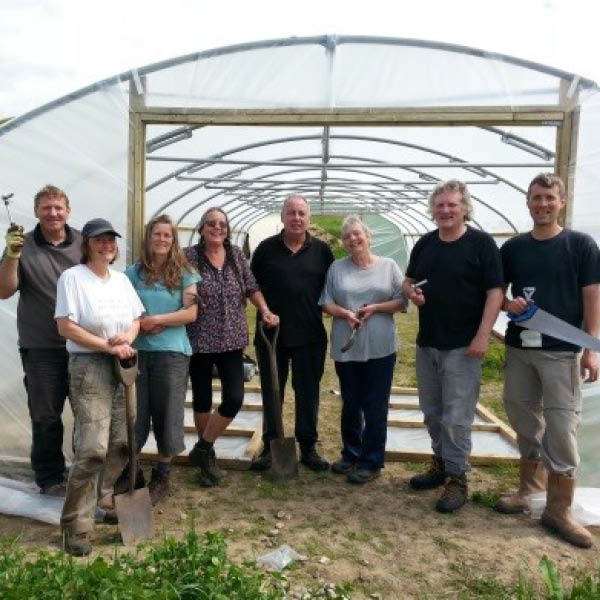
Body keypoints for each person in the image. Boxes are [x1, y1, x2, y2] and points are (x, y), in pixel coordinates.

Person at [494, 173, 600, 549]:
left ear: (562, 202)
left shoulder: (580, 245)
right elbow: (499, 295)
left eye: (549, 198)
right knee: (521, 411)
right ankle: (530, 491)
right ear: (527, 203)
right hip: (521, 347)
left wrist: (591, 347)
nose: (542, 204)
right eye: (536, 198)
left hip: (561, 350)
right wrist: (509, 305)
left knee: (561, 422)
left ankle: (559, 507)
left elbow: (592, 296)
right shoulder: (514, 248)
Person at [402, 179, 504, 513]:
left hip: (463, 345)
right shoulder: (426, 244)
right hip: (428, 342)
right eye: (440, 205)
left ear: (465, 208)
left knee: (457, 417)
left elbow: (495, 292)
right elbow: (408, 279)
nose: (445, 210)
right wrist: (411, 292)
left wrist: (482, 335)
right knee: (432, 412)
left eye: (452, 205)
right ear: (433, 210)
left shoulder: (481, 244)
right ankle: (441, 464)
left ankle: (458, 479)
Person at [55, 218, 144, 556]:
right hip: (89, 366)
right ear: (87, 244)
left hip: (123, 362)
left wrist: (127, 338)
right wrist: (106, 346)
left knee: (121, 443)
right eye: (99, 240)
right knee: (92, 448)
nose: (107, 245)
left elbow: (136, 319)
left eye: (111, 240)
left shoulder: (121, 281)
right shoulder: (73, 278)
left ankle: (100, 499)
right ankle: (75, 525)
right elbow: (66, 327)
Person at [185, 207, 278, 486]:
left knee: (234, 397)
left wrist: (264, 310)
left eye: (222, 224)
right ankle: (207, 460)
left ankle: (201, 448)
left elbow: (251, 287)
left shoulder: (236, 255)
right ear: (201, 229)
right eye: (211, 224)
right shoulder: (189, 257)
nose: (217, 228)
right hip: (199, 338)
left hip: (232, 338)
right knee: (201, 398)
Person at [0, 185, 82, 496]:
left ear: (68, 211)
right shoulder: (23, 244)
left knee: (87, 413)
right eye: (46, 208)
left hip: (82, 345)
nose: (53, 213)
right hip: (42, 348)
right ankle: (50, 478)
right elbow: (4, 290)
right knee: (46, 415)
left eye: (58, 207)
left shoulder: (83, 243)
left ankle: (84, 470)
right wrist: (12, 255)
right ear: (36, 211)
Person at [250, 194, 334, 472]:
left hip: (310, 334)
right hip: (271, 335)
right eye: (291, 213)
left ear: (308, 218)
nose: (297, 218)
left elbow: (333, 289)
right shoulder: (265, 249)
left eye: (302, 213)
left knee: (308, 391)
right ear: (283, 217)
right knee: (272, 391)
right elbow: (252, 286)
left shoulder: (322, 251)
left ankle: (308, 446)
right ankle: (271, 443)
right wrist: (263, 310)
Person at [320, 216, 405, 484]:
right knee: (351, 401)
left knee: (375, 405)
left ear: (368, 237)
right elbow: (326, 303)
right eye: (347, 237)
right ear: (343, 243)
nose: (353, 239)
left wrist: (375, 308)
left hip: (381, 346)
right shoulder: (337, 268)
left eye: (357, 234)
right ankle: (351, 453)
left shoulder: (389, 266)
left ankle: (371, 461)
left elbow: (402, 301)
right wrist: (345, 313)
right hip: (348, 345)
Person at [124, 214, 200, 505]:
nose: (161, 239)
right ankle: (132, 471)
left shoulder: (184, 272)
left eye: (167, 235)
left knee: (168, 411)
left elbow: (190, 313)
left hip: (172, 352)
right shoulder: (133, 273)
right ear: (148, 237)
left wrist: (159, 319)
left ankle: (162, 474)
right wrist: (142, 321)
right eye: (157, 234)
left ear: (173, 239)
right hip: (138, 352)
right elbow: (122, 303)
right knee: (136, 413)